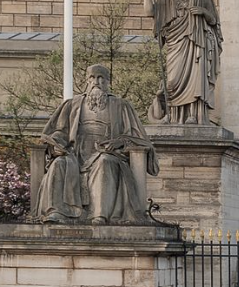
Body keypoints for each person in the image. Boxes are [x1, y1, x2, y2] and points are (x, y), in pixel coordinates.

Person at [38, 63, 156, 224]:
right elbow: (59, 131)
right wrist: (56, 144)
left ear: (108, 82)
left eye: (101, 78)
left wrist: (119, 142)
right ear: (87, 81)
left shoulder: (121, 106)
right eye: (92, 78)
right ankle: (58, 212)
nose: (96, 82)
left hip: (108, 153)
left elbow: (139, 137)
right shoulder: (72, 104)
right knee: (59, 163)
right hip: (76, 153)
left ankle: (99, 215)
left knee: (104, 162)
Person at [148, 0, 224, 126]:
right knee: (172, 80)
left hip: (196, 40)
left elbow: (214, 21)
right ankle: (174, 116)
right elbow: (151, 11)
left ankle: (193, 115)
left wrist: (203, 12)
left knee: (196, 77)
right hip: (175, 40)